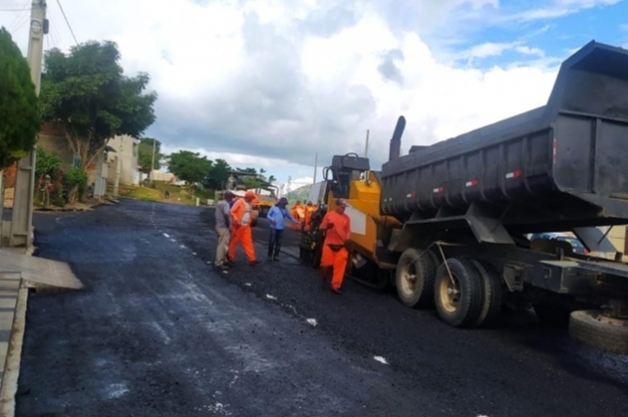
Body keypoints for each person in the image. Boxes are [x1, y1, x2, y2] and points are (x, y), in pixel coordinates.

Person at [319, 198, 352, 294]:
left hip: (341, 246)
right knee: (325, 265)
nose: (343, 209)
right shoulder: (329, 215)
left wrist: (348, 240)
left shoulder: (347, 218)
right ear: (336, 206)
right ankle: (324, 278)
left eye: (344, 208)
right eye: (342, 207)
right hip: (329, 245)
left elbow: (348, 231)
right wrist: (328, 227)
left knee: (340, 267)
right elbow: (321, 228)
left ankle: (336, 286)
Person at [227, 190, 261, 266]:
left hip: (246, 226)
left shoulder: (250, 203)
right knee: (234, 242)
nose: (252, 199)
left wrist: (252, 217)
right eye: (252, 198)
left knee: (248, 242)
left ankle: (252, 259)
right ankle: (230, 258)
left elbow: (249, 212)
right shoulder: (239, 202)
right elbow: (232, 211)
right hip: (238, 226)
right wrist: (236, 219)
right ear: (248, 197)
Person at [267, 197, 300, 261]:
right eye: (283, 204)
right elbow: (268, 215)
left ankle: (276, 256)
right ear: (280, 203)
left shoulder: (285, 210)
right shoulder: (274, 208)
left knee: (279, 243)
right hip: (273, 228)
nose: (284, 205)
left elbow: (290, 217)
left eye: (285, 204)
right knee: (272, 242)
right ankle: (269, 255)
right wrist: (272, 219)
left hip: (281, 228)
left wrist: (297, 222)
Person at [214, 191, 235, 270]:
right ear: (229, 197)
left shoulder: (219, 203)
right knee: (223, 245)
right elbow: (227, 215)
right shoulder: (226, 204)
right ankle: (219, 262)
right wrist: (229, 225)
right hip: (223, 227)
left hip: (218, 226)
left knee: (220, 243)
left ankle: (224, 259)